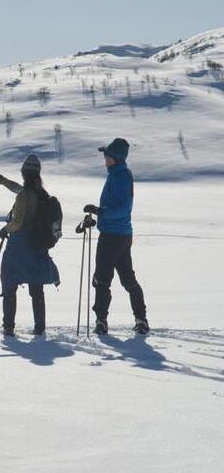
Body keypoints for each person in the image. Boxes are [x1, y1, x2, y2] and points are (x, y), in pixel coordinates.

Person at [0, 155, 60, 337]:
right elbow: (17, 188)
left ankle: (8, 328)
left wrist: (5, 229)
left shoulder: (25, 195)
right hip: (37, 246)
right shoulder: (40, 192)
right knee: (36, 287)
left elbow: (17, 221)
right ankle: (40, 329)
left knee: (9, 284)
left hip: (19, 247)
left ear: (24, 172)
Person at [83, 138, 149, 335]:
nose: (105, 158)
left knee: (102, 279)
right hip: (121, 234)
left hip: (112, 236)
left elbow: (122, 209)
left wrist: (100, 212)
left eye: (107, 155)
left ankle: (101, 322)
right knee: (127, 279)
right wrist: (98, 214)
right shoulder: (118, 174)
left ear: (115, 158)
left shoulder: (120, 176)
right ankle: (141, 320)